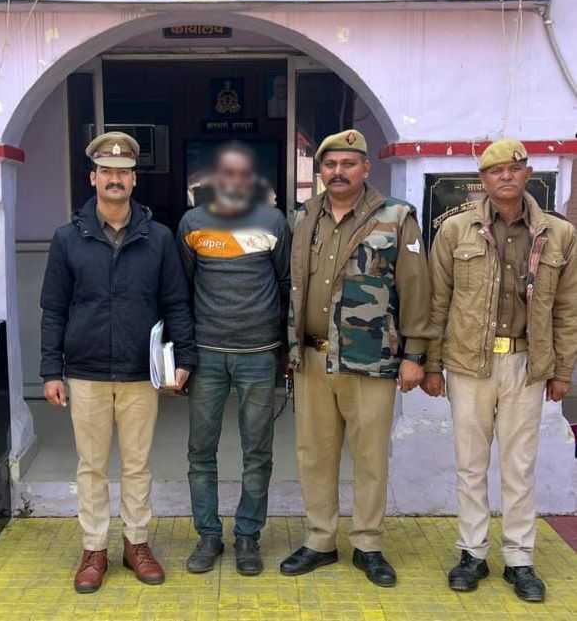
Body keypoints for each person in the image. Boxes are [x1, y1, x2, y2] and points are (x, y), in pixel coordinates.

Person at [39, 132, 197, 594]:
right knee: (91, 466)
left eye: (123, 172)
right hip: (85, 372)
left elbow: (176, 302)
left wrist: (184, 357)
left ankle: (136, 543)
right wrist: (51, 371)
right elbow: (54, 309)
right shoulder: (68, 239)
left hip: (139, 372)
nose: (115, 179)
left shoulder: (158, 238)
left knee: (136, 464)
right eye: (106, 171)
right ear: (93, 178)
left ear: (134, 180)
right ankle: (94, 549)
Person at [423, 138, 576, 603]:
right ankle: (472, 553)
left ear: (528, 174)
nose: (505, 176)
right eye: (495, 170)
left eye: (514, 168)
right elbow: (437, 301)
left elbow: (567, 309)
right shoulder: (455, 230)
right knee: (470, 464)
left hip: (527, 365)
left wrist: (562, 371)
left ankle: (519, 558)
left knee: (519, 466)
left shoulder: (558, 234)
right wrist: (432, 365)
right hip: (469, 364)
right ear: (483, 180)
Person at [281, 129, 434, 586]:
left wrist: (415, 354)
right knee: (314, 455)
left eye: (348, 163)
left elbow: (416, 287)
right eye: (330, 164)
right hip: (312, 358)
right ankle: (320, 540)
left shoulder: (396, 217)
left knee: (369, 458)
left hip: (371, 359)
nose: (338, 171)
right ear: (320, 171)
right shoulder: (303, 216)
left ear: (366, 168)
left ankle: (368, 543)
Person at [177, 141, 291, 576]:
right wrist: (184, 352)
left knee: (257, 452)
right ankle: (208, 535)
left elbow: (285, 283)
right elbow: (182, 289)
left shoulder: (274, 222)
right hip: (206, 354)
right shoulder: (192, 223)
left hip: (259, 355)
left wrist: (285, 347)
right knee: (200, 451)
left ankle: (248, 535)